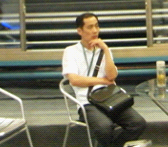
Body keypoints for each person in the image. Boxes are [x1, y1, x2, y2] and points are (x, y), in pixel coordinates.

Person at [62, 12, 147, 147]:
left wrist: (106, 50)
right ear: (80, 31)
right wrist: (102, 81)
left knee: (138, 123)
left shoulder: (103, 49)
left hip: (110, 99)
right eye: (90, 27)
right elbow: (75, 80)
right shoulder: (70, 51)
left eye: (96, 26)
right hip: (87, 102)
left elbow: (112, 76)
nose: (95, 30)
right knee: (104, 128)